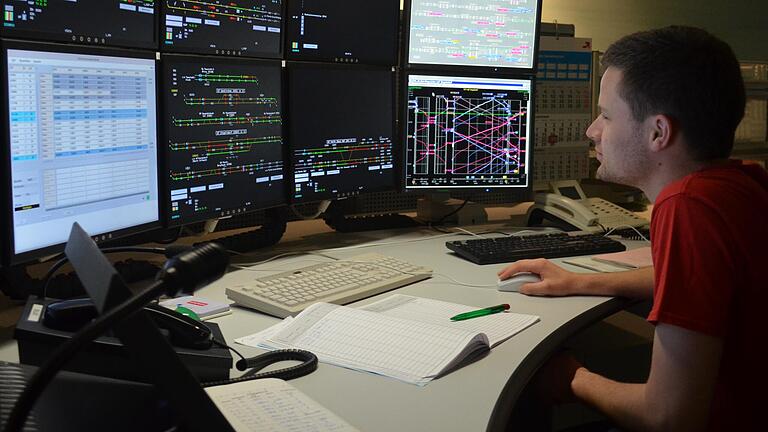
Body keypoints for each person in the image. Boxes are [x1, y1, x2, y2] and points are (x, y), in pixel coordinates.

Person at [499, 26, 768, 431]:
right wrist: (580, 282)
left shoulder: (687, 206)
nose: (592, 131)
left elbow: (668, 417)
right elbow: (692, 281)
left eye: (606, 115)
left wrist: (570, 378)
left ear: (658, 131)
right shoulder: (742, 183)